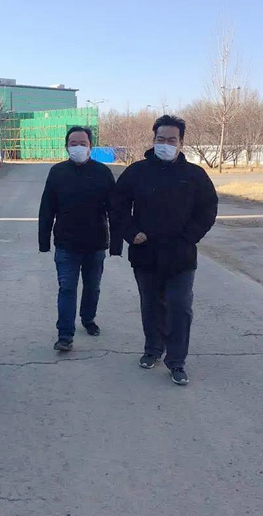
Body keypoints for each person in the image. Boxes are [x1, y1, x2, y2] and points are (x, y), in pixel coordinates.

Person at [112, 115, 218, 385]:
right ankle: (153, 349)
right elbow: (118, 206)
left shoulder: (194, 175)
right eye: (161, 139)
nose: (166, 144)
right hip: (145, 253)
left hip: (181, 255)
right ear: (153, 140)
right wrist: (131, 233)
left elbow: (208, 209)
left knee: (179, 306)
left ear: (181, 142)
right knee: (150, 305)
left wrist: (189, 237)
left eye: (172, 140)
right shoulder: (137, 172)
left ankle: (177, 361)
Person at [39, 126, 122, 352]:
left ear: (90, 146)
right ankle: (65, 335)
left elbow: (114, 210)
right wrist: (44, 240)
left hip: (95, 243)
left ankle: (88, 318)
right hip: (66, 243)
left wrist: (116, 244)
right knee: (67, 288)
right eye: (73, 143)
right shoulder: (57, 173)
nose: (78, 147)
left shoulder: (102, 173)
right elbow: (47, 208)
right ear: (66, 147)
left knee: (92, 287)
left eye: (82, 143)